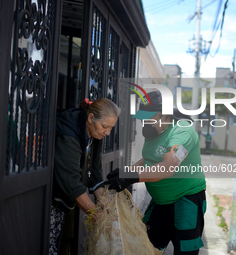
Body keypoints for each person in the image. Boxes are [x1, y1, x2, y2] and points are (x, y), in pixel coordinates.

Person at [105, 91, 206, 254]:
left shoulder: (182, 132)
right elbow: (150, 158)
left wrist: (132, 177)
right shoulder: (154, 131)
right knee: (146, 247)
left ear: (165, 115)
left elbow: (167, 167)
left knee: (185, 251)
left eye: (149, 118)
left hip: (186, 200)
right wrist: (127, 171)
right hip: (160, 201)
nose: (145, 123)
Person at [49, 98, 120, 255]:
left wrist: (105, 205)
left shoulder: (96, 134)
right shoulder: (68, 135)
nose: (107, 132)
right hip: (52, 199)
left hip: (68, 200)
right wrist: (97, 216)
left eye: (111, 128)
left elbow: (95, 172)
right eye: (105, 127)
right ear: (90, 118)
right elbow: (71, 182)